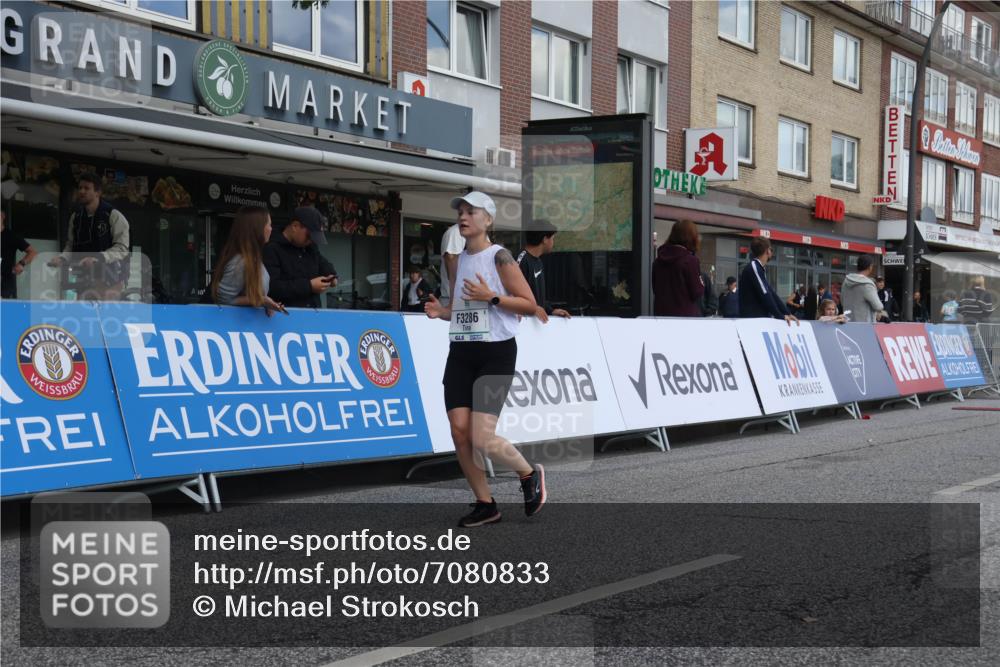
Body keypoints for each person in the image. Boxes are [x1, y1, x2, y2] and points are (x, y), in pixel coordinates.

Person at [422, 191, 545, 528]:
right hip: (461, 352)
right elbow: (464, 309)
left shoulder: (500, 257)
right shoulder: (458, 260)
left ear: (487, 219)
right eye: (460, 211)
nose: (463, 216)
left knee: (482, 437)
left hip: (496, 353)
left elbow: (528, 304)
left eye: (471, 211)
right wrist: (442, 312)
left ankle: (528, 474)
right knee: (459, 432)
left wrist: (491, 296)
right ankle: (485, 503)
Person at [47, 172, 130, 301]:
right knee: (82, 316)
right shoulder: (76, 217)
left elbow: (122, 248)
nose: (82, 191)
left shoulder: (113, 215)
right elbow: (70, 245)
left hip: (110, 278)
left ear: (98, 192)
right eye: (80, 188)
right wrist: (62, 258)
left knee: (107, 317)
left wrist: (99, 257)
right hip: (83, 278)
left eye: (87, 188)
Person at [211, 206, 285, 316]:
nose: (271, 229)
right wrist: (261, 300)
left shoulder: (253, 258)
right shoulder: (240, 261)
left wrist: (266, 302)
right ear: (257, 228)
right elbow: (223, 299)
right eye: (269, 224)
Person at [263, 206, 337, 309]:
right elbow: (272, 287)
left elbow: (322, 263)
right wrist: (309, 286)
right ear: (295, 226)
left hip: (313, 315)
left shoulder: (310, 247)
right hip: (284, 316)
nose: (311, 240)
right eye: (309, 236)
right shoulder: (272, 248)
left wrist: (331, 276)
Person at [516, 219, 571, 323]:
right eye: (553, 238)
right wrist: (533, 309)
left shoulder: (538, 262)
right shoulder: (521, 260)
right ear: (545, 239)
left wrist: (551, 310)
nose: (553, 242)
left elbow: (537, 297)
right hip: (523, 326)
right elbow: (511, 295)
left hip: (537, 325)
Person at [738, 237, 797, 324]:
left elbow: (771, 293)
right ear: (768, 251)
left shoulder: (759, 268)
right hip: (753, 320)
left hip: (758, 319)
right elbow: (765, 294)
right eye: (771, 249)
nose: (771, 252)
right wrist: (779, 315)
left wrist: (787, 313)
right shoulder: (754, 267)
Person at [652, 220, 704, 317]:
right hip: (684, 319)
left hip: (661, 316)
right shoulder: (690, 261)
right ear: (691, 237)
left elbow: (655, 289)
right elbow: (697, 292)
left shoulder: (658, 260)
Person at [1, 211, 37, 299]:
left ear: (2, 216)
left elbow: (32, 252)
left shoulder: (11, 236)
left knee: (7, 310)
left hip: (5, 284)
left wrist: (21, 263)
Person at [840, 255, 885, 324]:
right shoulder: (867, 284)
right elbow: (878, 306)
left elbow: (842, 301)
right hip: (865, 326)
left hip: (848, 323)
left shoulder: (846, 281)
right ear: (870, 267)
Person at [439, 220, 466, 307]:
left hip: (472, 299)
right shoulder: (456, 232)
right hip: (456, 299)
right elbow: (451, 259)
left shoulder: (479, 234)